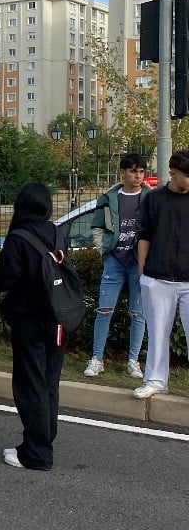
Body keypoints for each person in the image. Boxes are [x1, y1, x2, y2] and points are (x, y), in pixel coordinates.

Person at [0, 183, 67, 470]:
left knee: (30, 384)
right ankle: (42, 439)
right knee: (49, 382)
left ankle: (36, 453)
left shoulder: (19, 238)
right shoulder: (57, 233)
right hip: (59, 318)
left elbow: (4, 280)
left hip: (30, 320)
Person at [84, 154, 151, 379]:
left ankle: (133, 361)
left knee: (138, 313)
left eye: (141, 171)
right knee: (104, 310)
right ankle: (96, 359)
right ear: (122, 172)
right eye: (133, 171)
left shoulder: (150, 197)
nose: (138, 176)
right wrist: (104, 248)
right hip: (114, 260)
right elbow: (96, 226)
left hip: (139, 263)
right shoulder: (108, 197)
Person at [133, 150, 189, 399]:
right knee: (156, 332)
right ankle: (155, 380)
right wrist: (142, 270)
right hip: (157, 277)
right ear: (173, 173)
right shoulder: (154, 199)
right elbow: (144, 234)